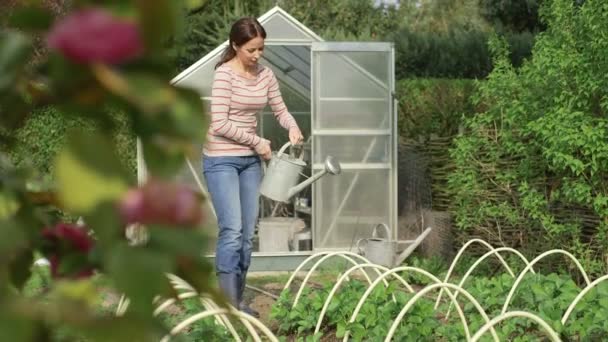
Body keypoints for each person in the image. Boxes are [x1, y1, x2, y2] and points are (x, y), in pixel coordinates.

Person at [202, 17, 304, 317]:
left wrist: (293, 127)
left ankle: (237, 300)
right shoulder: (224, 75)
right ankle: (228, 305)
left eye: (261, 49)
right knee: (231, 231)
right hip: (221, 159)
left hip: (250, 162)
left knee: (247, 237)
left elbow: (280, 109)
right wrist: (257, 141)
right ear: (235, 46)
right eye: (251, 50)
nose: (257, 55)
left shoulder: (266, 75)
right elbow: (219, 123)